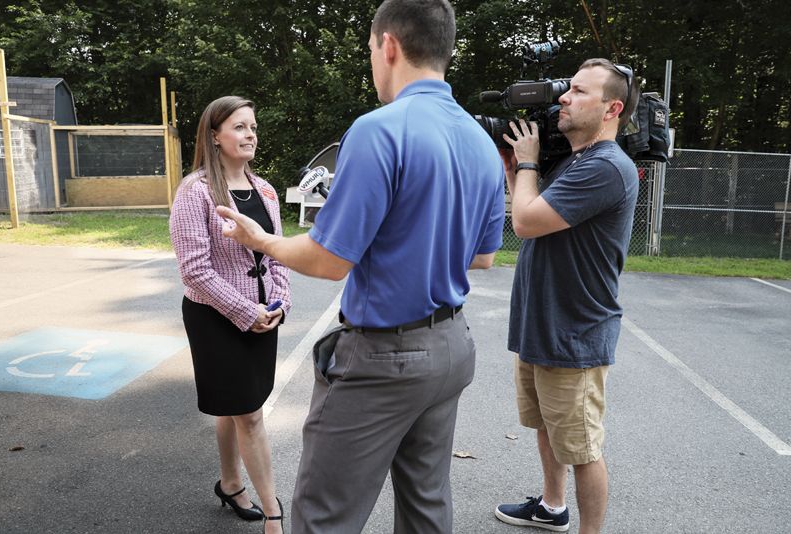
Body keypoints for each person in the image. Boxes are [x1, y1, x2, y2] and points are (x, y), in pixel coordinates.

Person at [215, 1, 505, 532]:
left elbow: (329, 260)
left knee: (323, 517)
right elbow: (483, 255)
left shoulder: (379, 130)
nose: (372, 60)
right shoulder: (482, 142)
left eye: (371, 48)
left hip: (384, 360)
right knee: (426, 509)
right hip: (450, 348)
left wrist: (263, 239)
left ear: (388, 45)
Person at [494, 59, 639, 534]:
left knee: (581, 448)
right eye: (567, 89)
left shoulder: (607, 167)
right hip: (541, 323)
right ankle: (552, 507)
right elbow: (528, 205)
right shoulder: (574, 160)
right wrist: (517, 168)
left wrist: (531, 161)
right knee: (546, 427)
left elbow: (525, 223)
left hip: (574, 332)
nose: (563, 97)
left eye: (578, 91)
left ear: (611, 108)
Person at [169, 96, 290, 534]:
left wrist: (279, 305)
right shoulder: (195, 191)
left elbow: (276, 258)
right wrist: (246, 311)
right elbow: (195, 270)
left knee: (232, 407)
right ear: (214, 136)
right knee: (250, 414)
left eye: (253, 127)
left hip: (263, 316)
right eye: (239, 127)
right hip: (215, 318)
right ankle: (274, 514)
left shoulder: (267, 191)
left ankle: (230, 482)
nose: (250, 134)